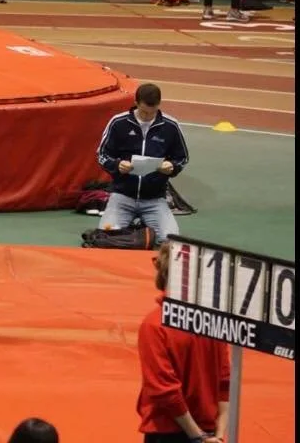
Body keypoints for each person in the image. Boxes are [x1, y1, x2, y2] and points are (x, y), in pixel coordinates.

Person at [136, 243, 230, 442]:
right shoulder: (213, 321)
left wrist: (198, 437)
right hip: (211, 429)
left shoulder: (154, 324)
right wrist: (219, 433)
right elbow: (225, 380)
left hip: (171, 431)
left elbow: (164, 390)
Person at [95, 83, 190, 244]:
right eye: (144, 112)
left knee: (171, 241)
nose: (147, 116)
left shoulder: (170, 126)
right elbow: (102, 154)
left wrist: (172, 166)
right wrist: (117, 165)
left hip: (154, 199)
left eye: (152, 112)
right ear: (136, 103)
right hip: (122, 196)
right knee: (106, 237)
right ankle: (138, 229)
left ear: (159, 105)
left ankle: (142, 227)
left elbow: (182, 157)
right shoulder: (118, 123)